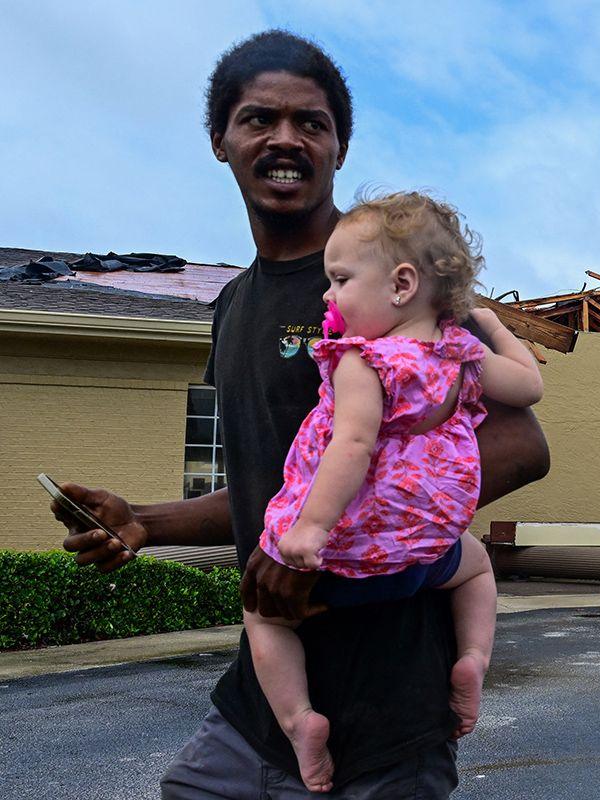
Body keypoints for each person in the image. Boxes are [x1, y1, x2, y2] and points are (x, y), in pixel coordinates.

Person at [55, 30, 550, 799]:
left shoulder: (394, 299)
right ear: (220, 139)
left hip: (388, 709)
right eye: (259, 119)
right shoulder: (232, 308)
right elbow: (270, 482)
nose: (286, 138)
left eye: (311, 123)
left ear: (339, 147)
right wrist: (146, 521)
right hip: (264, 707)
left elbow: (521, 443)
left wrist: (345, 538)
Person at [247, 190, 543, 793]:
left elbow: (350, 447)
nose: (327, 296)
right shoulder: (461, 358)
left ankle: (300, 721)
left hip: (345, 560)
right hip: (427, 556)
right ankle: (473, 660)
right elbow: (531, 385)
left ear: (402, 284)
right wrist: (487, 322)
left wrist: (310, 530)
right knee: (478, 568)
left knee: (261, 614)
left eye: (340, 279)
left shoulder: (364, 361)